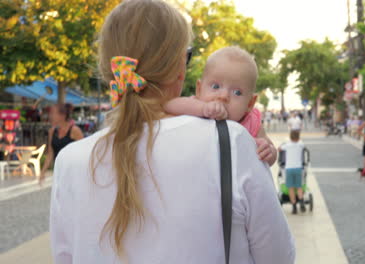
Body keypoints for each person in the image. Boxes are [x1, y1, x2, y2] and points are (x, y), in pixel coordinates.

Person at [49, 1, 295, 263]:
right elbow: (278, 257)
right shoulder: (230, 143)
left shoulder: (69, 161)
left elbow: (65, 257)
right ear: (179, 66)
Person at [164, 46, 277, 165]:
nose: (223, 96)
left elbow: (270, 152)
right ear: (199, 89)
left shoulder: (252, 122)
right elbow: (169, 105)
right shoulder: (196, 106)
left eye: (237, 92)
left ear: (250, 103)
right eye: (215, 86)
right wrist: (202, 109)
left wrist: (269, 152)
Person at [39, 103, 83, 184]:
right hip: (59, 172)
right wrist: (43, 172)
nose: (50, 116)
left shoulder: (74, 131)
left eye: (53, 113)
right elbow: (50, 154)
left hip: (74, 173)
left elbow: (84, 153)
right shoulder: (52, 132)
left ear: (62, 115)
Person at [279, 130, 306, 214]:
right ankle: (301, 202)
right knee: (299, 187)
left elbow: (279, 149)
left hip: (289, 169)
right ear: (298, 137)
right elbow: (303, 145)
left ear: (290, 137)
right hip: (298, 168)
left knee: (290, 188)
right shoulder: (301, 145)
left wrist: (285, 142)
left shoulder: (287, 145)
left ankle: (294, 207)